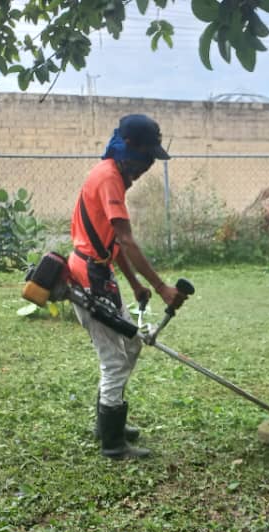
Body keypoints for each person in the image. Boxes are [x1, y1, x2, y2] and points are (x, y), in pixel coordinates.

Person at [68, 114, 186, 460]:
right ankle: (112, 443)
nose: (148, 165)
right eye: (148, 156)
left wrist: (134, 283)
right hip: (88, 279)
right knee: (114, 361)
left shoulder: (113, 175)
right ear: (131, 147)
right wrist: (162, 287)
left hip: (100, 274)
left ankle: (109, 421)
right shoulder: (109, 177)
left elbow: (110, 241)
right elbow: (126, 239)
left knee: (131, 344)